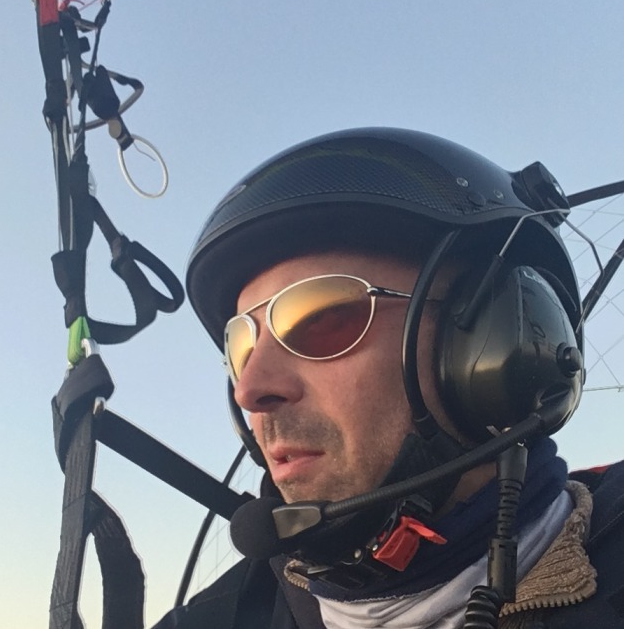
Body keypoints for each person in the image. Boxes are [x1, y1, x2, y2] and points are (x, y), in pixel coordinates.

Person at [155, 127, 624, 629]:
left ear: (490, 347)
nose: (251, 389)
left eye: (323, 317)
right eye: (241, 347)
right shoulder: (217, 616)